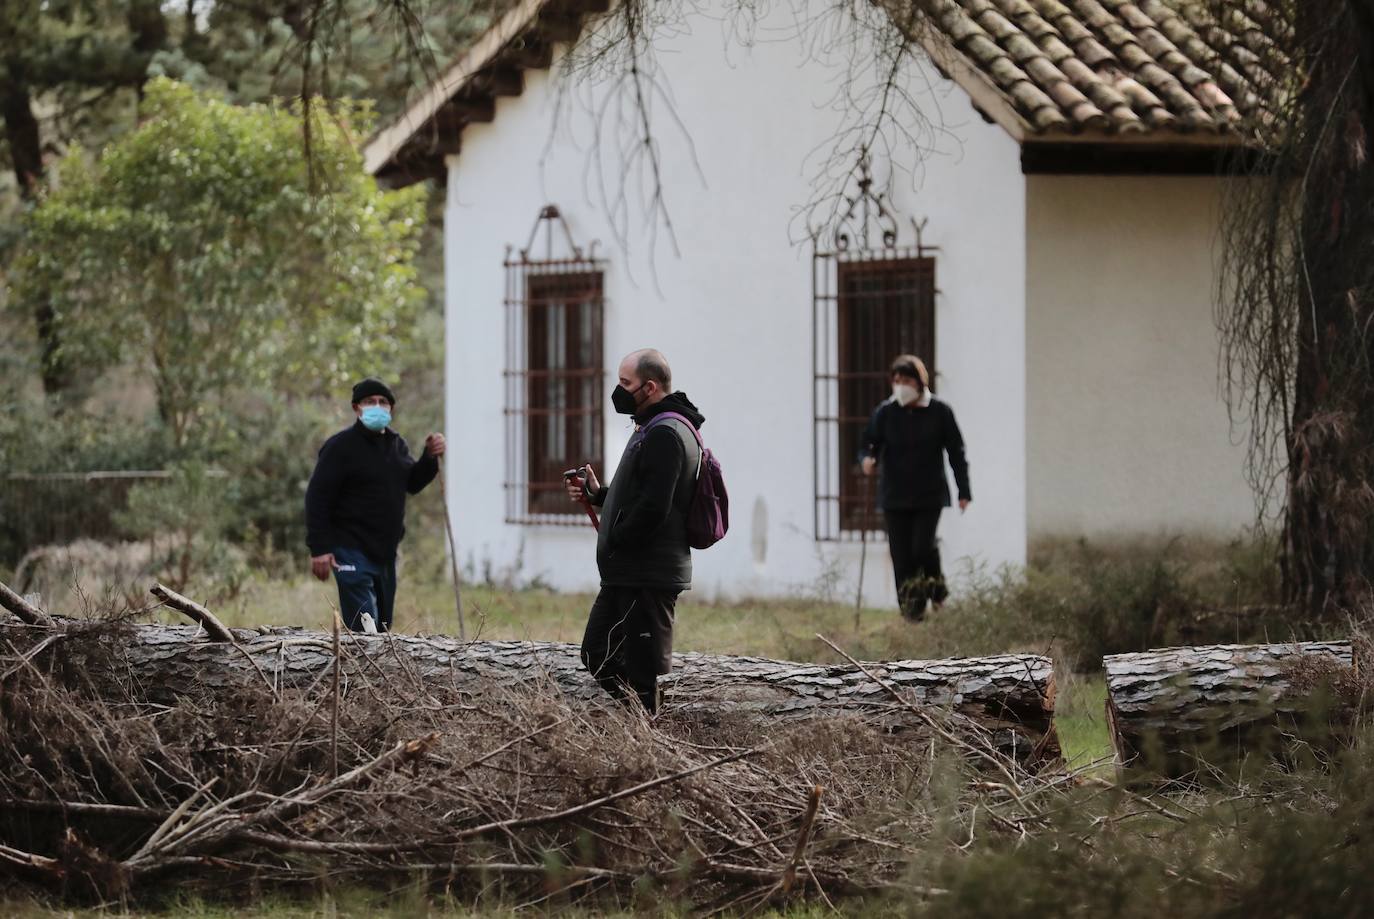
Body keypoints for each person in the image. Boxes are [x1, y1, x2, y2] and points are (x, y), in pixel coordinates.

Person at [564, 349, 704, 714]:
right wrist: (599, 495)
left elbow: (655, 507)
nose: (619, 390)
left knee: (641, 671)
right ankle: (639, 726)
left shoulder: (666, 433)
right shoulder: (653, 426)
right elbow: (642, 496)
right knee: (596, 652)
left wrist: (617, 538)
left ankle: (650, 738)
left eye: (626, 383)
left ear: (650, 386)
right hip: (628, 572)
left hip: (646, 574)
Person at [304, 378, 447, 632]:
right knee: (364, 628)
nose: (377, 407)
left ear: (391, 409)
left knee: (381, 628)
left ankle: (361, 670)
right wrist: (319, 548)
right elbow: (317, 497)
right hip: (349, 549)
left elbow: (412, 483)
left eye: (383, 402)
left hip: (385, 553)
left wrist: (429, 458)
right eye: (370, 402)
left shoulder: (396, 445)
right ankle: (355, 670)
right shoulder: (340, 447)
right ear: (356, 408)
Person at [859, 355, 971, 621]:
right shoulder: (885, 412)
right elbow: (867, 443)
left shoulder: (940, 412)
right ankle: (912, 613)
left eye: (906, 380)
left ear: (920, 382)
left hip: (929, 494)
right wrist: (866, 459)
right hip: (894, 496)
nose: (900, 386)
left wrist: (963, 490)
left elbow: (956, 452)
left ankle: (937, 592)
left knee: (922, 547)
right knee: (901, 555)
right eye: (896, 381)